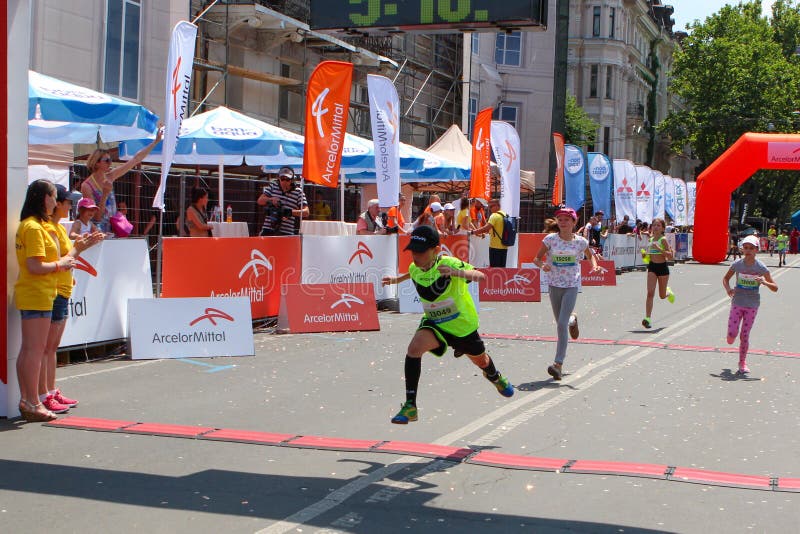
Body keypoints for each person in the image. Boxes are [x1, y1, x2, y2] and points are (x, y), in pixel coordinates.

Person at [381, 225, 514, 424]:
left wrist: (455, 272)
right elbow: (411, 273)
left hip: (462, 327)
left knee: (482, 361)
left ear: (436, 250)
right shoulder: (414, 268)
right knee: (414, 349)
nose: (415, 256)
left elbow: (481, 276)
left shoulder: (449, 263)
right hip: (435, 323)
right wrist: (395, 280)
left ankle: (495, 376)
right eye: (413, 251)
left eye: (420, 252)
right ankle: (410, 406)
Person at [14, 180, 74, 421]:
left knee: (31, 350)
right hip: (37, 293)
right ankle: (31, 401)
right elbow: (35, 265)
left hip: (37, 292)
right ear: (43, 199)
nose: (54, 202)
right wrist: (61, 264)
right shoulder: (34, 227)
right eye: (52, 197)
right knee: (34, 350)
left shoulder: (31, 225)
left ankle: (29, 400)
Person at [41, 185, 104, 414]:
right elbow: (58, 258)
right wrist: (77, 250)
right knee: (46, 348)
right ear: (56, 203)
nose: (70, 205)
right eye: (67, 202)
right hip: (54, 290)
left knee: (52, 348)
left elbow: (65, 258)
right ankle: (44, 394)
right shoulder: (48, 228)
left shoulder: (57, 227)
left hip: (63, 288)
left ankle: (50, 390)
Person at [533, 207, 600, 381]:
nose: (563, 223)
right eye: (560, 220)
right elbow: (537, 258)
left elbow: (590, 256)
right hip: (554, 284)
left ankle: (558, 364)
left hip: (571, 285)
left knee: (561, 325)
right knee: (562, 322)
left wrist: (594, 266)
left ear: (573, 222)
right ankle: (573, 319)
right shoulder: (550, 240)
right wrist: (543, 266)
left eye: (566, 220)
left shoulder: (580, 242)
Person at [81, 127, 162, 233]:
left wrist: (155, 142)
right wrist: (105, 194)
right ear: (97, 162)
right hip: (97, 231)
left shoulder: (110, 176)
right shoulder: (87, 186)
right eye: (107, 160)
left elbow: (135, 159)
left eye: (110, 160)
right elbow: (96, 217)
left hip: (113, 228)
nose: (110, 163)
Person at [722, 235, 778, 374]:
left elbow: (775, 287)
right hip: (738, 302)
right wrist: (728, 289)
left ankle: (742, 363)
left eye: (751, 248)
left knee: (744, 335)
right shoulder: (737, 264)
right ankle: (731, 335)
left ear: (756, 250)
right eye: (746, 248)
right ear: (742, 249)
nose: (748, 251)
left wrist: (764, 282)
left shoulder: (760, 267)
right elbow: (725, 278)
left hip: (752, 305)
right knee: (732, 334)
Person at [640, 218, 675, 329]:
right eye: (654, 225)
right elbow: (649, 256)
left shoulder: (663, 239)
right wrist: (645, 256)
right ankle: (648, 318)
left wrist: (659, 248)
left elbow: (670, 256)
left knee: (662, 295)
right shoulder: (650, 240)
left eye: (658, 225)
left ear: (663, 228)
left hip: (662, 268)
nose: (655, 227)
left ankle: (668, 293)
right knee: (650, 293)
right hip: (652, 267)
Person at [257, 166, 309, 236]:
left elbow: (306, 212)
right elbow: (260, 201)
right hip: (268, 229)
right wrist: (271, 199)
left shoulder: (298, 192)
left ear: (292, 180)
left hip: (286, 232)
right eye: (282, 179)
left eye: (287, 179)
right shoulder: (273, 186)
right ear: (279, 178)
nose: (284, 181)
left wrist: (289, 212)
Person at [471, 198, 508, 267]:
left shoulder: (494, 216)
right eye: (489, 207)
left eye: (491, 206)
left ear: (497, 206)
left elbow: (486, 228)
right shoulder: (505, 214)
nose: (490, 209)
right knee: (502, 268)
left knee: (494, 268)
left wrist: (473, 232)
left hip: (495, 247)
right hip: (504, 246)